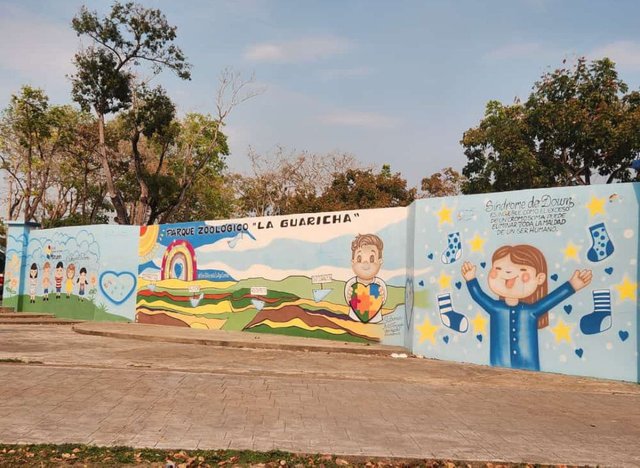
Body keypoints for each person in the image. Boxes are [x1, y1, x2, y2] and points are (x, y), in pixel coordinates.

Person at [461, 244, 592, 371]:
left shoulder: (531, 311)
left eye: (522, 270)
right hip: (498, 365)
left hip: (529, 368)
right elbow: (479, 297)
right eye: (498, 269)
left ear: (539, 278)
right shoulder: (495, 308)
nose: (507, 272)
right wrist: (471, 279)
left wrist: (571, 286)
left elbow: (551, 300)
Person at [344, 234, 387, 324]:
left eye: (371, 258)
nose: (365, 263)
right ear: (353, 262)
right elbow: (348, 301)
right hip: (354, 319)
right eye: (359, 258)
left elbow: (383, 300)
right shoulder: (351, 283)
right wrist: (349, 296)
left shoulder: (379, 284)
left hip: (376, 321)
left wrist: (382, 296)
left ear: (380, 262)